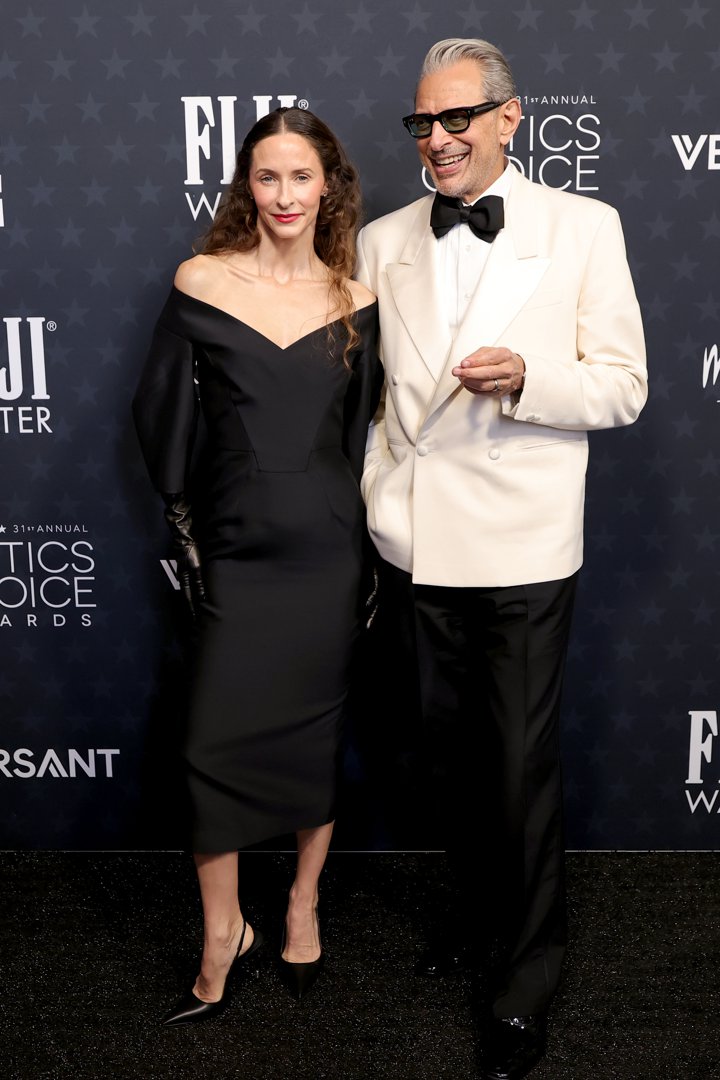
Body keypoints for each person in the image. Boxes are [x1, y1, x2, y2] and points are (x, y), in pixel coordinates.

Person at [356, 38, 647, 1080]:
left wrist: (529, 377)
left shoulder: (584, 226)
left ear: (511, 118)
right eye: (422, 125)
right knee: (447, 766)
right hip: (416, 538)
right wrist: (376, 497)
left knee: (519, 772)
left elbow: (622, 386)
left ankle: (524, 985)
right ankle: (483, 922)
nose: (436, 141)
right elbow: (373, 399)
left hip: (522, 542)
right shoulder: (385, 237)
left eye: (457, 121)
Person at [132, 106, 381, 1025]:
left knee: (315, 739)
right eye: (267, 177)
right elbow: (160, 414)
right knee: (211, 744)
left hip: (325, 548)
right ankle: (221, 931)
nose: (283, 195)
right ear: (248, 184)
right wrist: (189, 517)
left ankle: (302, 906)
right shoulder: (201, 280)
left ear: (328, 188)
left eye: (301, 178)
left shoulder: (357, 299)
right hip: (237, 546)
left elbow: (365, 438)